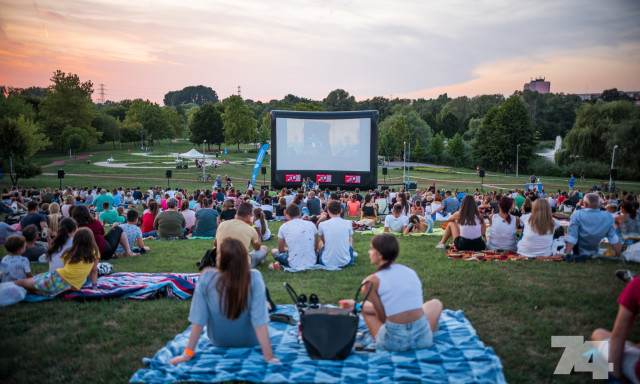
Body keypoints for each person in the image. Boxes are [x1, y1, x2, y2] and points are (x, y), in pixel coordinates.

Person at [168, 238, 280, 365]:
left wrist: (187, 355)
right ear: (244, 258)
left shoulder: (207, 277)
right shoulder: (254, 276)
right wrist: (269, 357)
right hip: (250, 340)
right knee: (262, 307)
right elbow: (259, 321)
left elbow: (198, 320)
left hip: (218, 341)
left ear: (220, 258)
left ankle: (265, 305)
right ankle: (266, 305)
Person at [342, 234, 442, 352]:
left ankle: (359, 307)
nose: (369, 252)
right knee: (435, 303)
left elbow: (383, 317)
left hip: (394, 342)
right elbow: (396, 308)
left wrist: (359, 307)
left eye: (371, 248)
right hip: (423, 340)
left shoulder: (370, 282)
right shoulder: (410, 272)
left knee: (364, 310)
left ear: (379, 254)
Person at [14, 227, 100, 296]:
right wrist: (94, 287)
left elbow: (65, 266)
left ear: (76, 239)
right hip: (73, 286)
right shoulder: (95, 253)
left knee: (23, 282)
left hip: (57, 278)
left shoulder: (69, 252)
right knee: (42, 289)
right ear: (91, 239)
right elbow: (94, 271)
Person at [591, 277, 640, 383]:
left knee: (598, 334)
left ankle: (596, 357)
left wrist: (614, 376)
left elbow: (618, 336)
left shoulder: (637, 285)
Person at [73, 205, 138, 260]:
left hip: (88, 254)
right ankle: (129, 252)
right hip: (104, 251)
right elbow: (103, 233)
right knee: (118, 229)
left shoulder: (75, 227)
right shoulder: (95, 223)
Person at [565, 193, 621, 257]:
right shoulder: (607, 216)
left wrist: (566, 254)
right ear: (599, 204)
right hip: (594, 250)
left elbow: (572, 237)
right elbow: (613, 238)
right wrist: (620, 255)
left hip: (578, 251)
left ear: (585, 204)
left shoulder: (577, 214)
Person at [214, 202, 268, 269]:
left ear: (237, 212)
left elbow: (215, 244)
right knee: (264, 248)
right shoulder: (250, 229)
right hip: (242, 265)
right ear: (248, 216)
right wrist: (253, 227)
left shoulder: (222, 224)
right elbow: (257, 247)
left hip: (221, 263)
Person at [271, 204, 318, 269]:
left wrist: (288, 250)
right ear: (299, 214)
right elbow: (315, 247)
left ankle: (279, 262)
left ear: (287, 215)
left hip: (293, 263)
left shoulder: (284, 227)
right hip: (312, 261)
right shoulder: (311, 225)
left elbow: (281, 249)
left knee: (274, 251)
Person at [318, 200, 354, 268]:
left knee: (321, 242)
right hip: (345, 262)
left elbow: (324, 242)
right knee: (350, 238)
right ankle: (347, 253)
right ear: (341, 210)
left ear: (328, 211)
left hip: (326, 262)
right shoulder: (348, 223)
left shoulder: (322, 225)